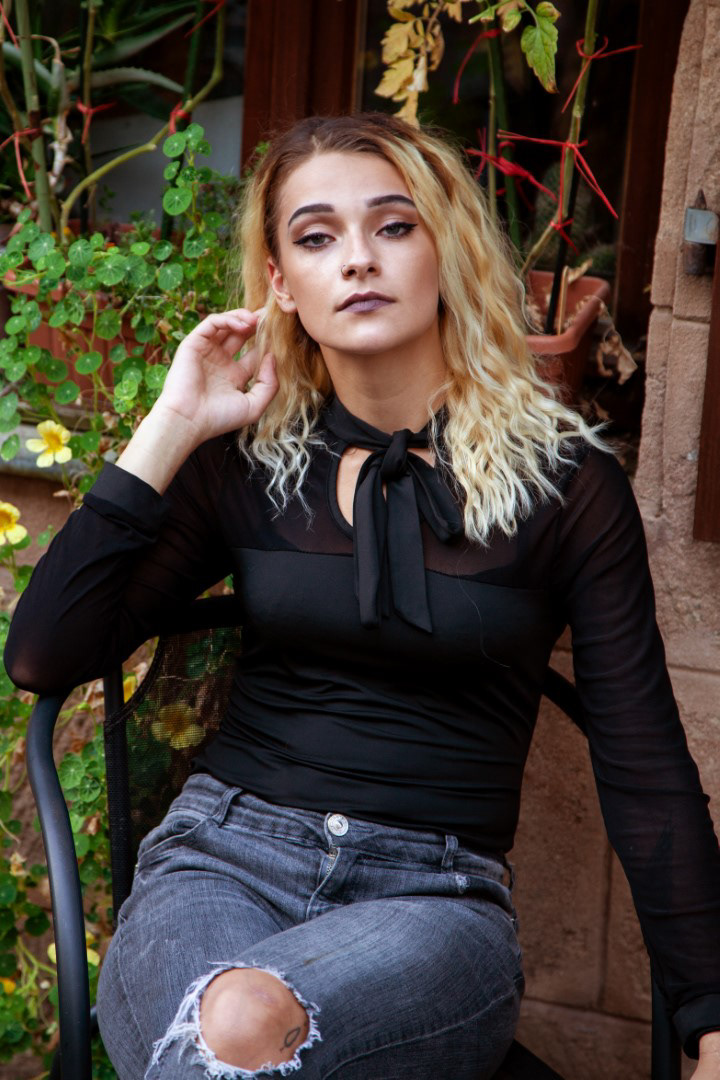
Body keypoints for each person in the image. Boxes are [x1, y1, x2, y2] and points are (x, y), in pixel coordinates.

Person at [6, 112, 720, 1080]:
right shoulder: (250, 462)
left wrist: (709, 1020)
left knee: (237, 1026)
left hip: (434, 904)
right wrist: (174, 420)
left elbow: (644, 766)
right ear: (280, 285)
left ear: (446, 249)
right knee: (227, 1023)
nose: (356, 260)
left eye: (392, 226)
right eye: (316, 237)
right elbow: (44, 653)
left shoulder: (564, 487)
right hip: (217, 864)